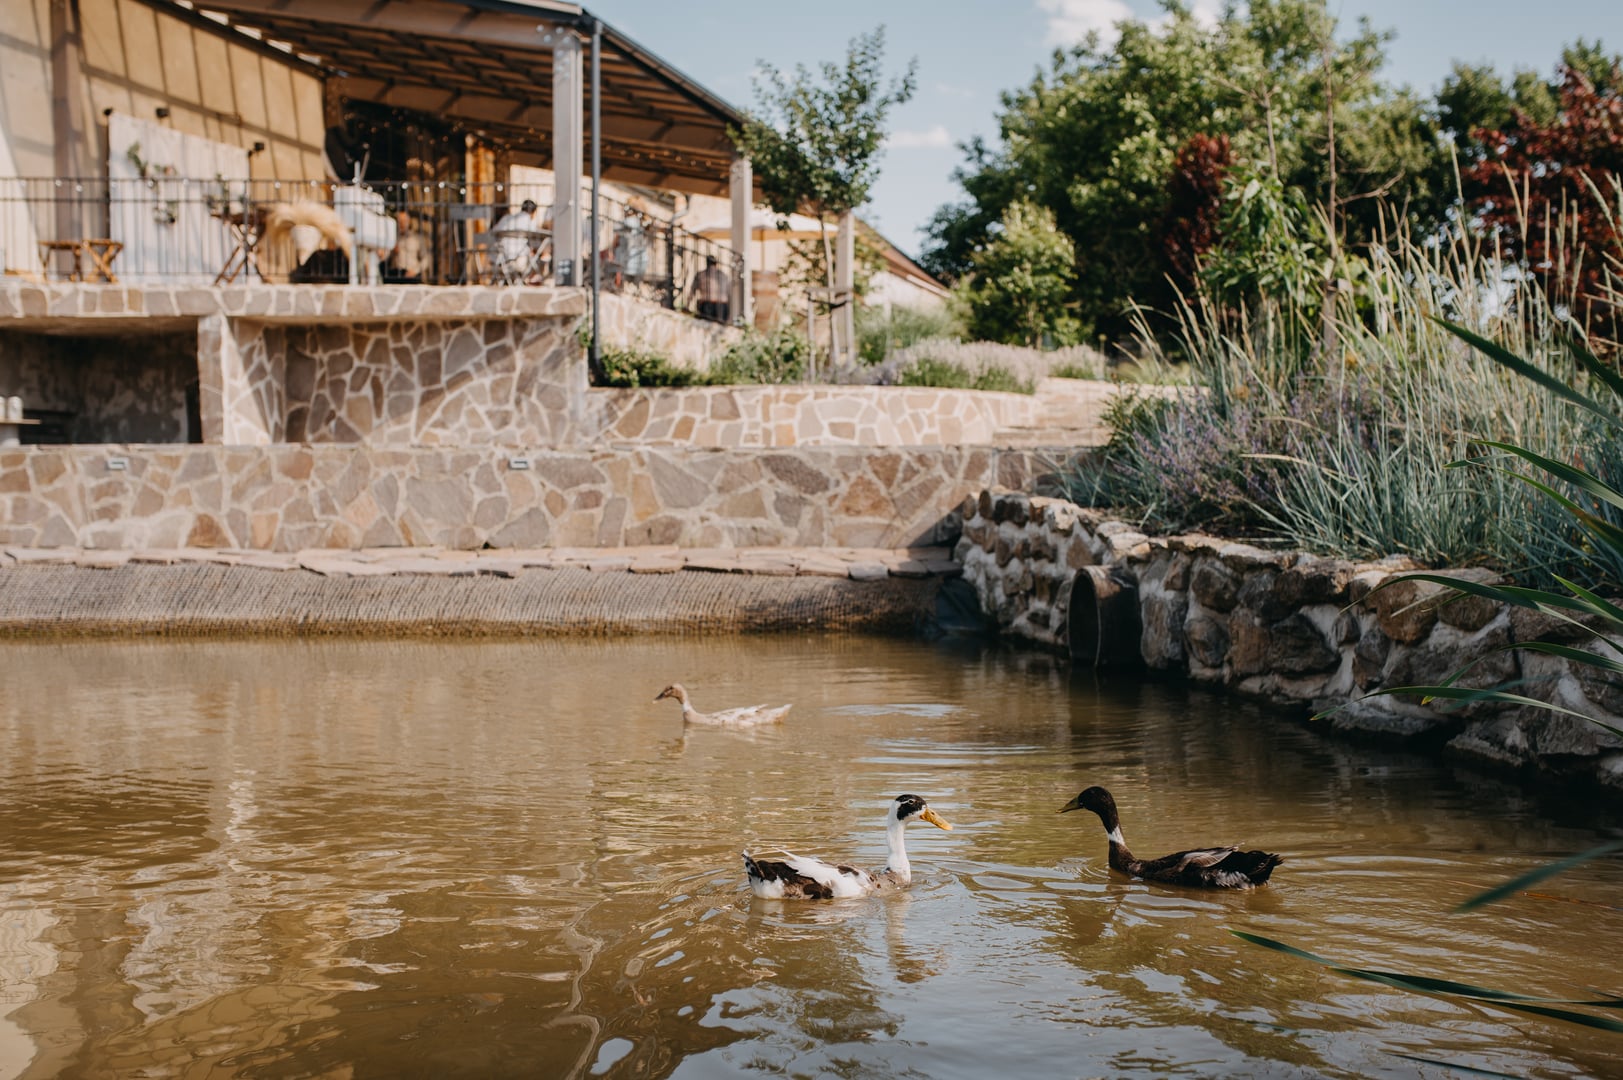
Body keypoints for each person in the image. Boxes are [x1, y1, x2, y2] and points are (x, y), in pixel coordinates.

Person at [490, 199, 542, 281]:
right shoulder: (529, 221)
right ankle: (528, 280)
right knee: (535, 255)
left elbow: (492, 233)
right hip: (518, 259)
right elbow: (536, 242)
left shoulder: (507, 218)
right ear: (533, 212)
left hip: (498, 258)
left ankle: (519, 280)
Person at [384, 210, 428, 283]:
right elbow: (384, 257)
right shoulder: (393, 238)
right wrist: (391, 251)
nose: (402, 224)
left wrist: (415, 271)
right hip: (396, 275)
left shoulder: (417, 238)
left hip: (411, 275)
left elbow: (426, 259)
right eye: (400, 221)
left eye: (404, 221)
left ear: (409, 222)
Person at [691, 255, 730, 323]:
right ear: (716, 263)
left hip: (707, 304)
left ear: (707, 263)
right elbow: (728, 293)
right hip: (723, 305)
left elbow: (692, 291)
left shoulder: (701, 274)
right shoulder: (723, 275)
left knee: (706, 327)